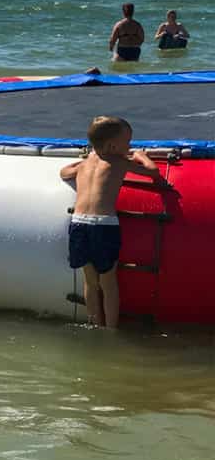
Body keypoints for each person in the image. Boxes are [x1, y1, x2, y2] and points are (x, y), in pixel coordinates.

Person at [59, 115, 174, 328]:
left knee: (90, 282)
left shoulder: (85, 164)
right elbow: (153, 172)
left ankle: (94, 324)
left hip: (78, 223)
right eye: (128, 142)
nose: (130, 145)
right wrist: (141, 156)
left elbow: (64, 172)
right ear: (113, 146)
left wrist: (86, 159)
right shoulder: (119, 162)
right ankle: (110, 328)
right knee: (108, 283)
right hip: (103, 225)